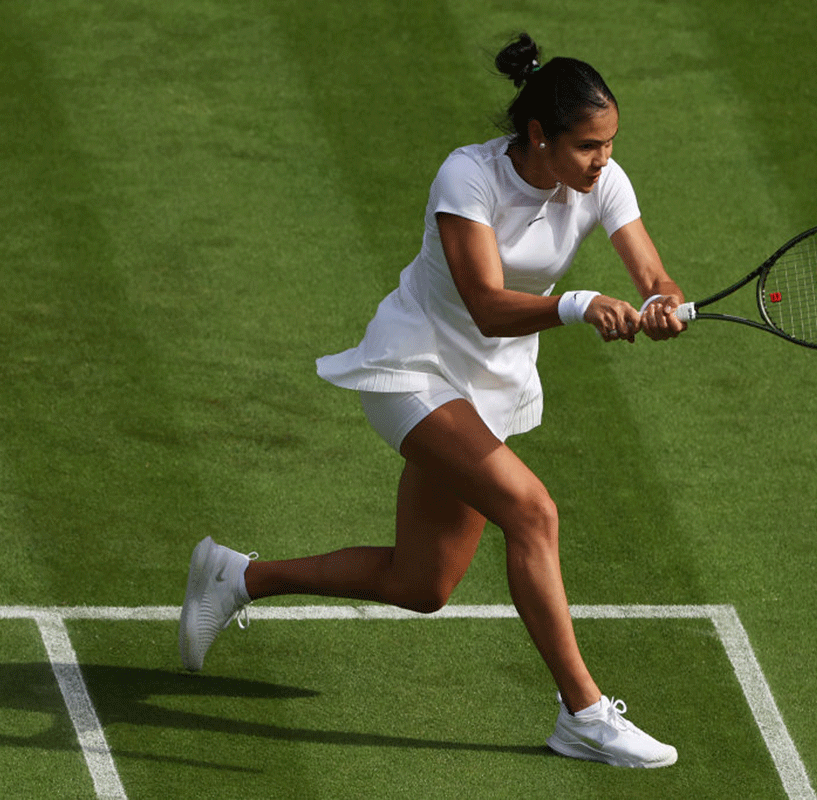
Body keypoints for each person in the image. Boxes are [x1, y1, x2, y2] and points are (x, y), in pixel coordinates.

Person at [179, 32, 685, 769]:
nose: (603, 160)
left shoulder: (604, 182)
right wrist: (576, 305)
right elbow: (484, 303)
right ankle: (582, 712)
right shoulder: (467, 178)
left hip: (489, 389)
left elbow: (652, 273)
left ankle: (237, 577)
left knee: (421, 584)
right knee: (533, 510)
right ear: (539, 135)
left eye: (609, 145)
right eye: (588, 146)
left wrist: (663, 303)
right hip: (412, 370)